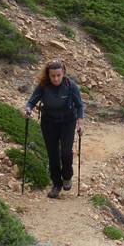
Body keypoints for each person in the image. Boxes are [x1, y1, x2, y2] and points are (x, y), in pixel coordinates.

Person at [24, 60, 84, 199]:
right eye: (53, 76)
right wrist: (28, 109)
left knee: (66, 152)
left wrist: (80, 122)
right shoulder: (43, 86)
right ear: (48, 75)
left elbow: (79, 105)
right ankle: (57, 184)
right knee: (53, 155)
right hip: (49, 122)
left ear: (63, 73)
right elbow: (32, 101)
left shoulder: (70, 86)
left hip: (67, 122)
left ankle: (67, 176)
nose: (56, 78)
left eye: (58, 75)